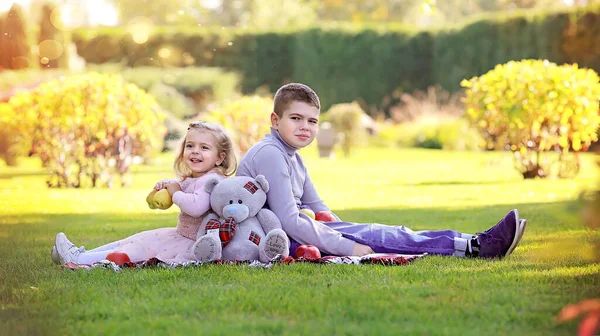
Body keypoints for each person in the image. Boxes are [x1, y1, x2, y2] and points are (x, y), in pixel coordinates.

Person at [236, 83, 527, 258]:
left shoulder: (293, 157)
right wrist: (348, 247)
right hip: (275, 239)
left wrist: (346, 233)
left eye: (312, 121)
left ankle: (471, 242)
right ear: (275, 120)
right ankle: (477, 247)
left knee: (378, 233)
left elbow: (318, 207)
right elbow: (289, 221)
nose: (305, 127)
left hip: (299, 231)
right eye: (296, 118)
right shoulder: (271, 154)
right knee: (382, 236)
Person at [51, 121, 237, 265]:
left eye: (204, 148)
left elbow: (196, 207)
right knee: (134, 240)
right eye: (190, 146)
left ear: (220, 157)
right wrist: (167, 186)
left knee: (137, 251)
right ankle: (81, 254)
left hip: (191, 242)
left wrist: (175, 193)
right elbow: (182, 188)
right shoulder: (198, 177)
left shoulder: (213, 180)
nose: (195, 151)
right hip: (179, 235)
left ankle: (79, 260)